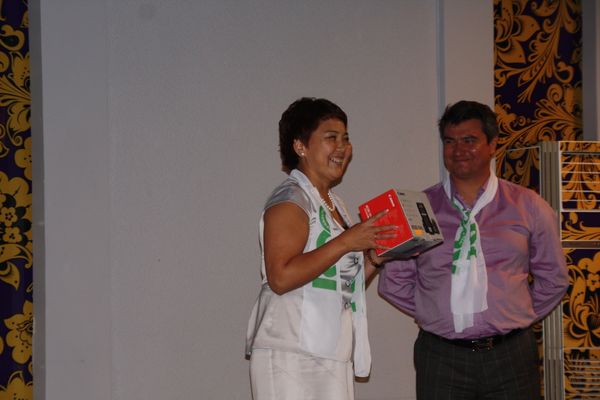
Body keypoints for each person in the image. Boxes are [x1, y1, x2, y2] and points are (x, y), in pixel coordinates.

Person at [378, 100, 569, 399]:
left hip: (511, 354)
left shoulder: (529, 205)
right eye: (450, 141)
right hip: (441, 356)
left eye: (469, 140)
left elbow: (554, 278)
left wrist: (516, 315)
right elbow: (393, 283)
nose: (458, 150)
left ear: (492, 144)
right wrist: (436, 311)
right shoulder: (417, 209)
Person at [246, 97, 393, 400]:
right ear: (300, 146)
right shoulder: (290, 200)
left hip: (331, 348)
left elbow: (339, 284)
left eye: (345, 138)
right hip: (290, 351)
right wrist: (347, 242)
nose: (342, 148)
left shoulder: (334, 204)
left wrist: (374, 260)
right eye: (331, 137)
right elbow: (280, 277)